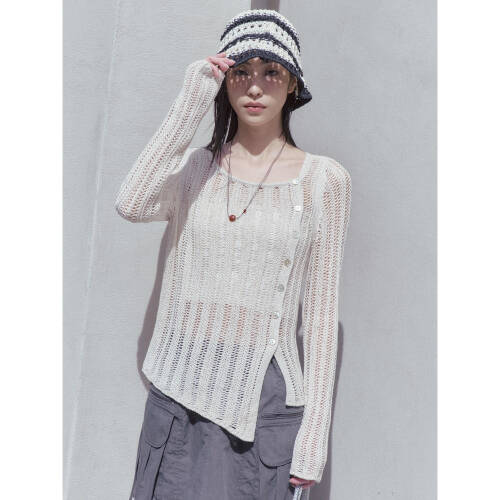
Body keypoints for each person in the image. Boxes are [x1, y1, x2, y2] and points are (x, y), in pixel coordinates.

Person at [115, 8, 352, 500]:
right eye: (241, 71)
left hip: (263, 400)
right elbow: (131, 202)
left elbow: (321, 316)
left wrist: (313, 439)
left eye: (272, 71)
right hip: (178, 389)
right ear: (225, 81)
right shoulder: (197, 169)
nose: (255, 86)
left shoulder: (324, 181)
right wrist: (192, 97)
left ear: (292, 84)